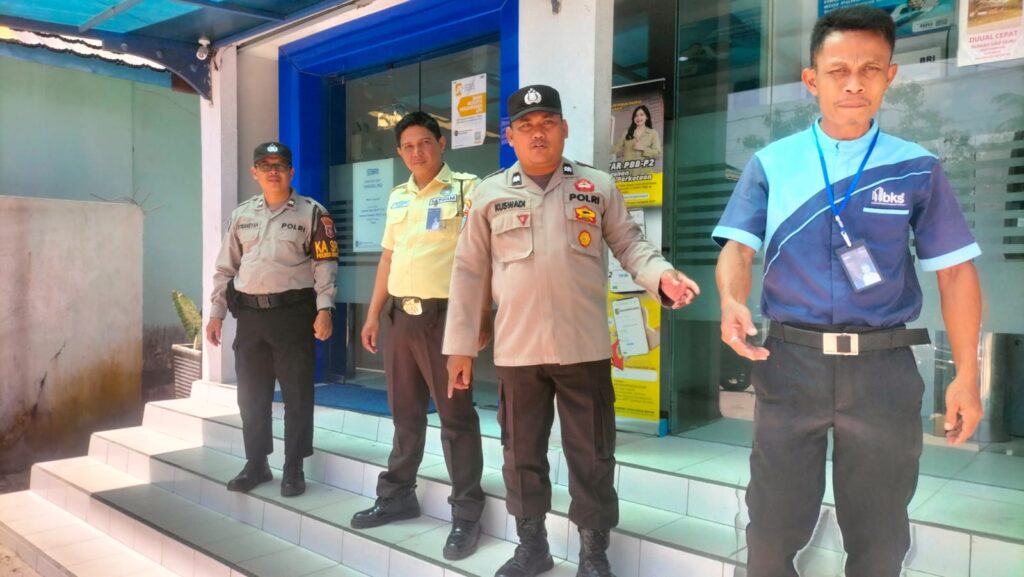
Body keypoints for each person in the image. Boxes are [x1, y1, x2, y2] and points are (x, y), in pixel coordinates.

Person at [713, 6, 983, 577]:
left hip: (883, 371)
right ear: (812, 79)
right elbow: (738, 249)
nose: (854, 83)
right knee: (771, 531)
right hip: (790, 364)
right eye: (838, 70)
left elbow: (956, 272)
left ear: (890, 76)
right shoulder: (772, 163)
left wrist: (966, 373)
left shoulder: (917, 167)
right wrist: (732, 301)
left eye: (870, 69)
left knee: (881, 539)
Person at [444, 85, 700, 577]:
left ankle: (593, 555)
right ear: (510, 136)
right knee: (521, 455)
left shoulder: (596, 185)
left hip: (584, 348)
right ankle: (532, 549)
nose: (537, 133)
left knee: (593, 455)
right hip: (518, 352)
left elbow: (631, 244)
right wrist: (459, 348)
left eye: (547, 123)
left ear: (563, 128)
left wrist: (662, 276)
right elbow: (468, 271)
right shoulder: (489, 194)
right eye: (526, 126)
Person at [350, 111, 489, 561]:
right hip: (399, 318)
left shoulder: (467, 189)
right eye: (408, 146)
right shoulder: (398, 196)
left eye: (424, 142)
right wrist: (373, 315)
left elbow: (482, 259)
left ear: (441, 143)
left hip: (444, 319)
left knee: (455, 417)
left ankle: (466, 513)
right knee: (405, 414)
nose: (417, 152)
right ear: (399, 152)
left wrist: (480, 317)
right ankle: (397, 496)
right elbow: (387, 260)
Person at [206, 141, 339, 498]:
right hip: (250, 317)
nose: (273, 171)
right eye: (265, 165)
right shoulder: (241, 215)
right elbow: (225, 268)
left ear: (291, 171)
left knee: (297, 395)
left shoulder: (314, 214)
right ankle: (256, 464)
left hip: (293, 315)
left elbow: (325, 264)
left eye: (280, 165)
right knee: (251, 396)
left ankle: (293, 467)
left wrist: (325, 309)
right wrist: (217, 312)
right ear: (255, 172)